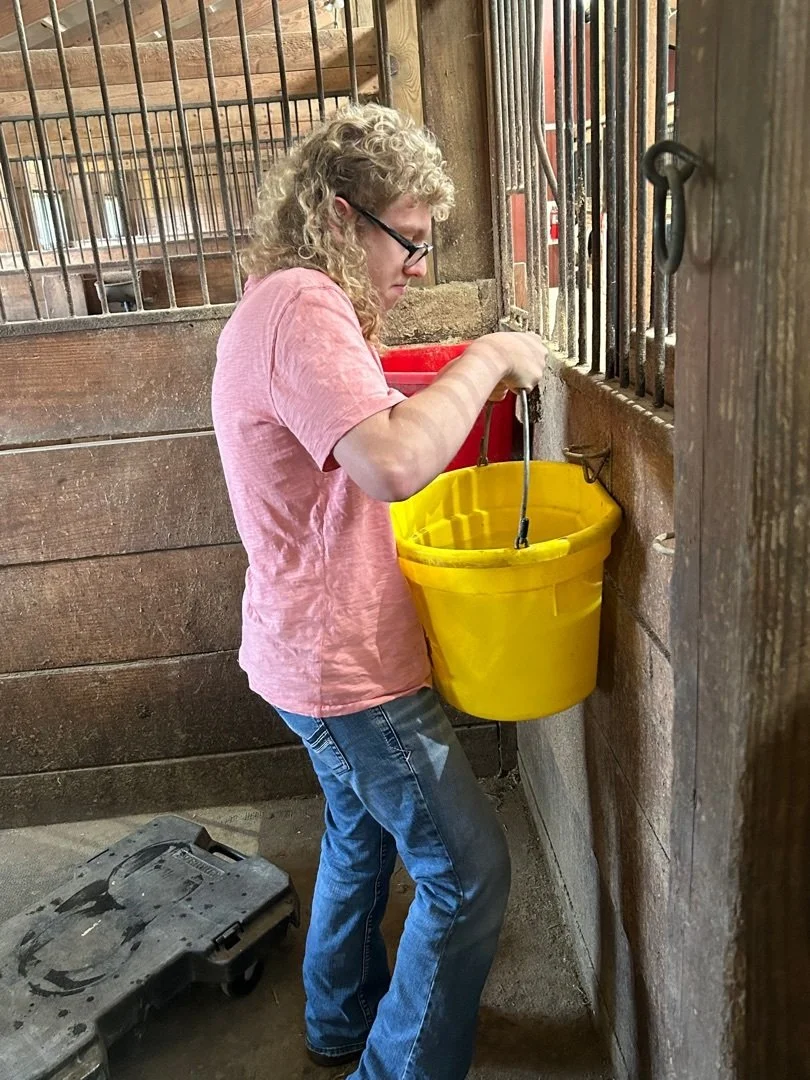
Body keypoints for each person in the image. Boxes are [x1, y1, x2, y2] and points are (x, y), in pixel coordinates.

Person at [211, 103, 547, 1080]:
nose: (420, 266)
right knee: (467, 874)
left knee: (359, 834)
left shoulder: (283, 305)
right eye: (411, 238)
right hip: (344, 664)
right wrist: (488, 359)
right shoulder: (302, 305)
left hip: (299, 650)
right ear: (340, 215)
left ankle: (338, 1024)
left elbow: (366, 434)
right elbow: (394, 462)